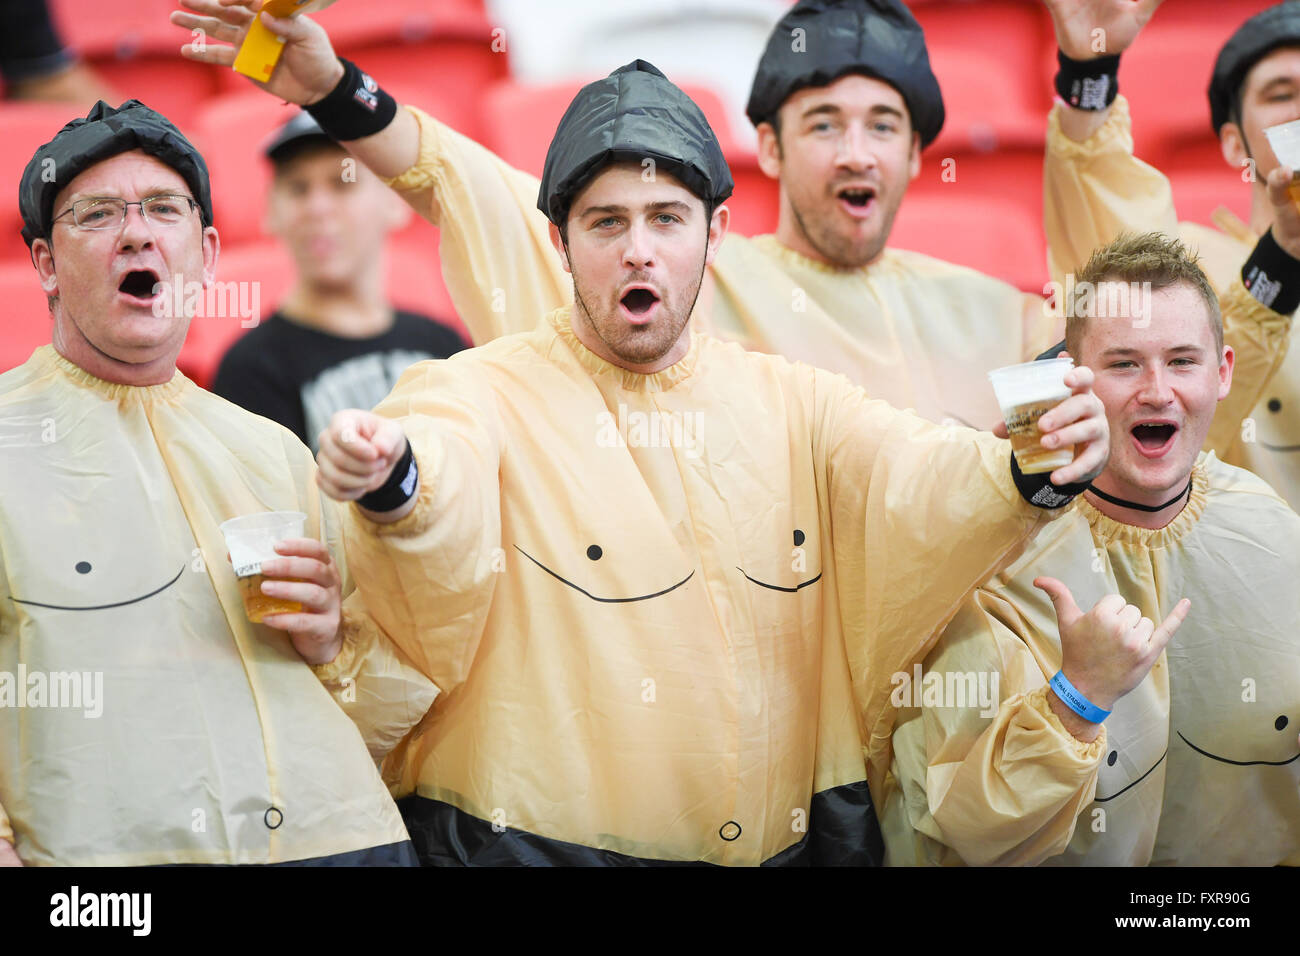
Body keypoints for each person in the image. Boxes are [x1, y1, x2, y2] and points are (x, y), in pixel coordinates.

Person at [297, 58, 1112, 866]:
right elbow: (442, 465)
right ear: (560, 241)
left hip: (790, 843)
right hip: (529, 851)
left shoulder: (795, 400)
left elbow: (918, 476)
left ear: (715, 231)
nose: (638, 251)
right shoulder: (482, 388)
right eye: (606, 222)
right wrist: (397, 479)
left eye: (667, 218)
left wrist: (1029, 469)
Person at [173, 0, 1060, 431]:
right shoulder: (693, 273)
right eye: (823, 123)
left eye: (884, 126)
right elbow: (467, 183)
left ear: (917, 152)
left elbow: (1148, 356)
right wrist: (334, 90)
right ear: (771, 148)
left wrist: (1090, 85)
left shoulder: (1001, 318)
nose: (855, 152)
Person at [0, 99, 435, 866]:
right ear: (43, 264)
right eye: (96, 213)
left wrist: (332, 638)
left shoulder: (272, 452)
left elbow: (388, 706)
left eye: (163, 208)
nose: (137, 231)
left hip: (338, 846)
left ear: (204, 252)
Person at [880, 233, 1300, 867]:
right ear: (1070, 379)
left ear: (1224, 374)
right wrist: (1076, 699)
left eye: (1182, 361)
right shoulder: (998, 556)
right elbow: (957, 830)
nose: (1157, 391)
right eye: (1124, 363)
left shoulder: (1270, 526)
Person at [1040, 0, 1300, 511]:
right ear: (1232, 144)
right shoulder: (1181, 268)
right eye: (1281, 94)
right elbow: (1099, 204)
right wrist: (1089, 73)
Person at [211, 110, 467, 452]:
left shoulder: (445, 346)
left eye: (342, 183)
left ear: (395, 202)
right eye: (298, 189)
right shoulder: (250, 371)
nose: (317, 207)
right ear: (271, 211)